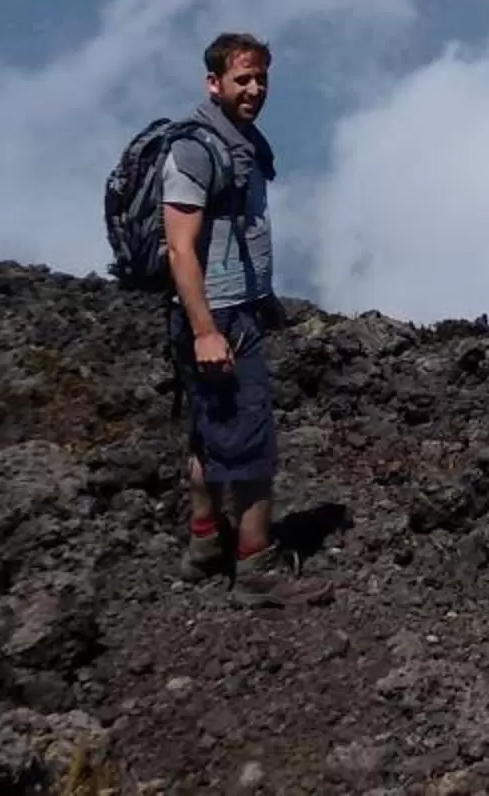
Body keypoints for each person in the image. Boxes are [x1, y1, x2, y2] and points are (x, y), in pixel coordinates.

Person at [162, 30, 287, 579]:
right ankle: (258, 566)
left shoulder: (238, 140)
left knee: (209, 432)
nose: (255, 88)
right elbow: (181, 249)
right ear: (213, 83)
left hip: (235, 308)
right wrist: (205, 330)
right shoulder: (197, 149)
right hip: (219, 316)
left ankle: (205, 545)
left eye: (261, 77)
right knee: (253, 441)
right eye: (243, 79)